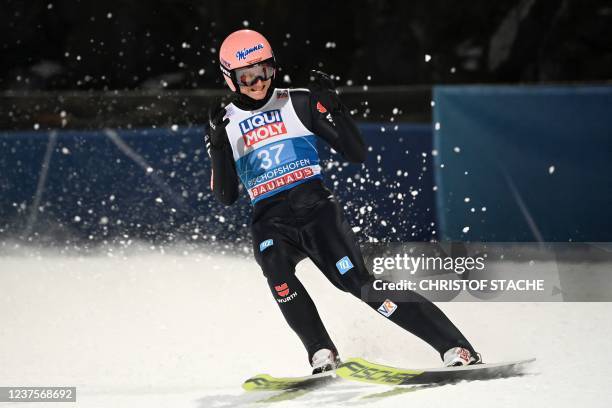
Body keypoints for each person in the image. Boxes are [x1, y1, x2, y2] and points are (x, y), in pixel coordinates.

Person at [205, 29, 480, 373]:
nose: (259, 83)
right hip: (269, 218)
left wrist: (336, 108)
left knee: (357, 283)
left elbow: (355, 152)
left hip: (315, 207)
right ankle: (321, 352)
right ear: (229, 79)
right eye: (247, 77)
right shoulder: (225, 122)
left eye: (265, 71)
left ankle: (457, 347)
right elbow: (226, 196)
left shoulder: (299, 101)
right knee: (275, 268)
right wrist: (217, 144)